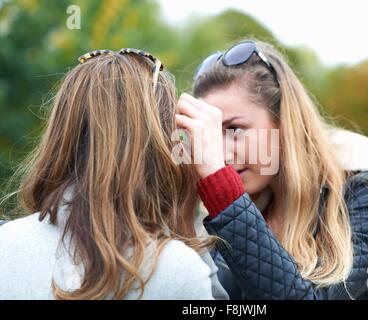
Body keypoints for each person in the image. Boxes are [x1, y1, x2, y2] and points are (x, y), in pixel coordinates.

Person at [175, 39, 368, 299]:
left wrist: (224, 193)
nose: (222, 154)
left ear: (285, 122)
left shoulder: (367, 193)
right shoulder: (222, 211)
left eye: (235, 129)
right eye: (213, 135)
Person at [0, 48, 228, 300]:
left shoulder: (5, 243)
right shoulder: (177, 271)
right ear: (161, 146)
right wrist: (189, 212)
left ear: (60, 134)